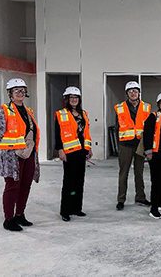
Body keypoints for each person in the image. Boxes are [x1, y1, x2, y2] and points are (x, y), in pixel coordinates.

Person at [0, 78, 40, 231]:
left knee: (25, 185)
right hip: (11, 156)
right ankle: (9, 219)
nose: (21, 93)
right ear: (10, 93)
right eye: (17, 90)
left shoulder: (28, 111)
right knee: (12, 186)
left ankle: (20, 214)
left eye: (23, 90)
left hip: (28, 154)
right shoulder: (4, 111)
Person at [55, 87, 93, 222]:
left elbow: (86, 133)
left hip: (81, 151)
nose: (74, 100)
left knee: (79, 181)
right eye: (71, 98)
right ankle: (65, 210)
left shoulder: (84, 114)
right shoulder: (61, 114)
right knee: (68, 182)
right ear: (67, 99)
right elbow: (58, 134)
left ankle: (77, 208)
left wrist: (89, 148)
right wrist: (60, 150)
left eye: (76, 98)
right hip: (69, 152)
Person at [114, 81, 151, 210]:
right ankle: (121, 199)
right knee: (123, 173)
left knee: (139, 172)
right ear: (127, 94)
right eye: (130, 91)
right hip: (125, 145)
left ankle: (140, 197)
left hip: (140, 145)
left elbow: (149, 128)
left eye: (135, 91)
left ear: (139, 93)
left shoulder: (146, 107)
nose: (133, 93)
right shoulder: (120, 108)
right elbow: (117, 127)